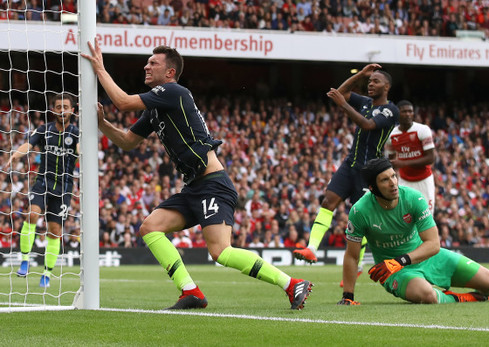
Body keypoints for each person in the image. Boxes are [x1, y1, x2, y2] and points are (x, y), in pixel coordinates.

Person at [82, 39, 312, 310]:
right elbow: (128, 141)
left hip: (213, 184)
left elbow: (121, 102)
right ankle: (190, 291)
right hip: (193, 187)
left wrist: (100, 68)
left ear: (169, 72)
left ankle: (291, 283)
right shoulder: (156, 107)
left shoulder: (173, 92)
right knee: (150, 227)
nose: (146, 65)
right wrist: (102, 124)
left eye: (153, 63)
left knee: (221, 252)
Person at [338, 158, 489, 305]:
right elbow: (352, 256)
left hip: (426, 258)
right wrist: (348, 296)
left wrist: (401, 260)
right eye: (385, 180)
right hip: (395, 271)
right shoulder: (360, 211)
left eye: (393, 176)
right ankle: (460, 298)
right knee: (427, 295)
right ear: (372, 188)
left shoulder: (414, 199)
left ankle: (484, 293)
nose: (393, 183)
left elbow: (434, 244)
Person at [293, 64, 398, 273]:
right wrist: (360, 74)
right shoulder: (366, 102)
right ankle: (311, 248)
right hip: (350, 163)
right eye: (369, 81)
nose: (370, 84)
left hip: (369, 170)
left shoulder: (390, 110)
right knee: (327, 201)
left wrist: (344, 106)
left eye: (375, 81)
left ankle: (357, 264)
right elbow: (340, 93)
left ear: (386, 87)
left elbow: (368, 125)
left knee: (358, 217)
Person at [4, 93, 79, 288]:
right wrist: (14, 156)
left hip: (64, 187)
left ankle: (46, 273)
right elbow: (28, 145)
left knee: (55, 231)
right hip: (43, 181)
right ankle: (25, 260)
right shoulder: (44, 130)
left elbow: (81, 150)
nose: (62, 110)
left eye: (65, 106)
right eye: (58, 107)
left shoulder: (76, 133)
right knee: (32, 215)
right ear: (53, 109)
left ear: (72, 109)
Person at [386, 100, 436, 213]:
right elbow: (391, 159)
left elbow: (431, 158)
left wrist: (404, 163)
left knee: (426, 216)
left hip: (424, 180)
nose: (408, 114)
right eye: (404, 111)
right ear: (398, 114)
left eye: (410, 111)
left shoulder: (422, 130)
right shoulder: (391, 135)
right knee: (406, 217)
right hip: (405, 181)